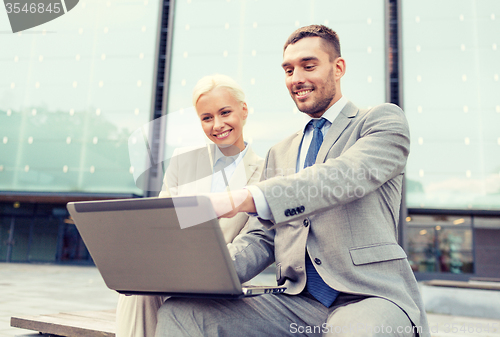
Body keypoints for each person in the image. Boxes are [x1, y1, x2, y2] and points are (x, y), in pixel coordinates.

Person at [155, 25, 431, 337]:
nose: (296, 78)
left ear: (338, 68)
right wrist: (194, 269)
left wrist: (240, 198)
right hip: (298, 302)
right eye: (288, 69)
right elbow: (262, 236)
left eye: (308, 66)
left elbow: (341, 177)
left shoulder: (380, 122)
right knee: (181, 312)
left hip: (369, 296)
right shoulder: (280, 152)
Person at [115, 74, 264, 337]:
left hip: (224, 279)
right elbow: (160, 225)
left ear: (243, 110)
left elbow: (254, 241)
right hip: (173, 269)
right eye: (207, 118)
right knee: (137, 290)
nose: (217, 125)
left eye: (225, 112)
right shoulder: (183, 161)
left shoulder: (266, 172)